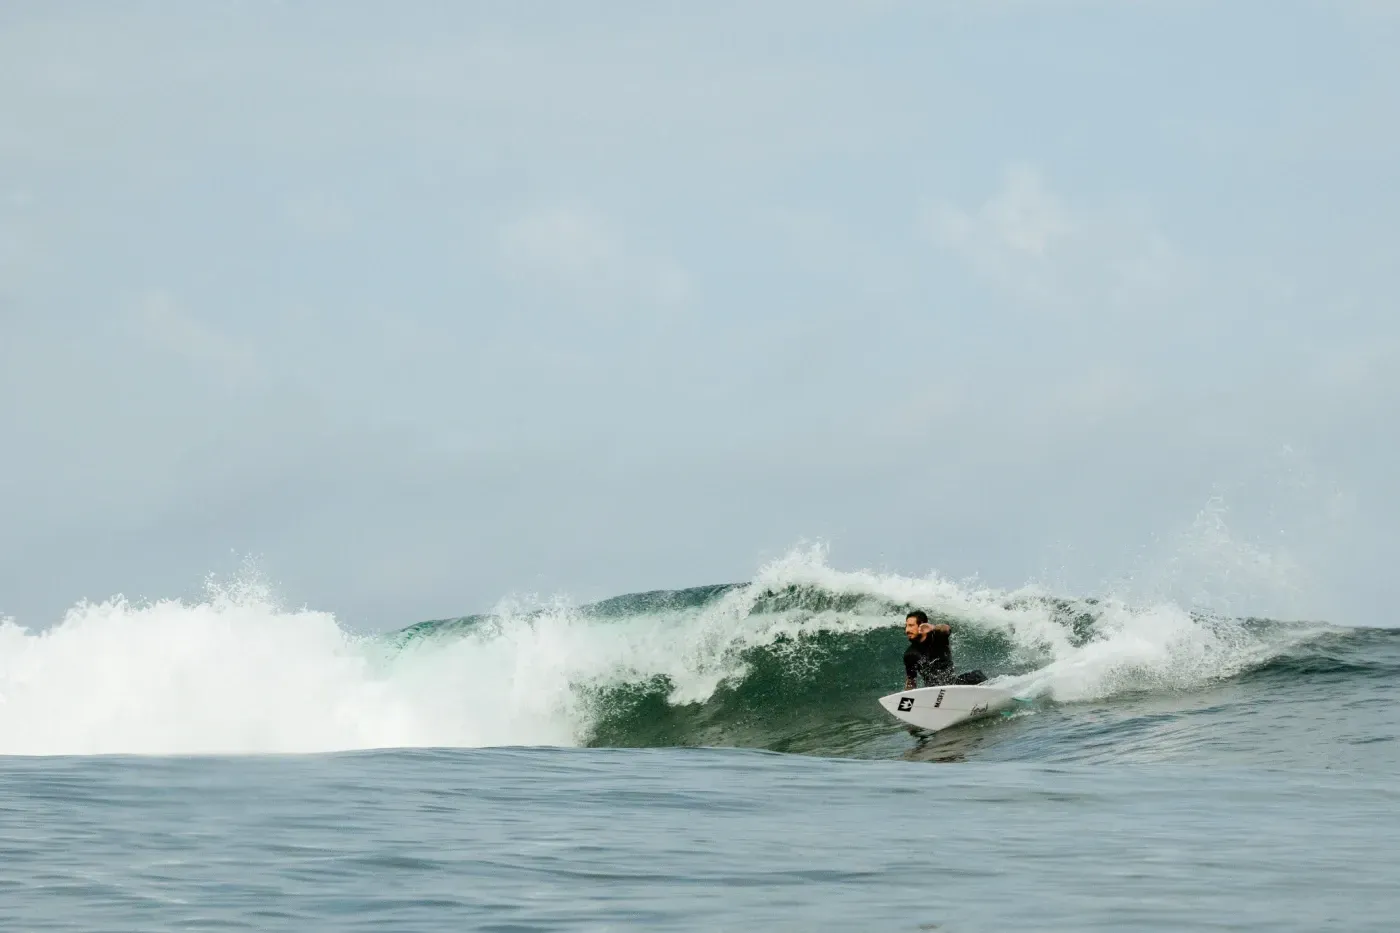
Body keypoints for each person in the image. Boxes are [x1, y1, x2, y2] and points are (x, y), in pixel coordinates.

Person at [902, 610, 986, 689]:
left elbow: (946, 629)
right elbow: (911, 681)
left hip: (952, 685)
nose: (907, 630)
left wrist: (933, 627)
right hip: (933, 691)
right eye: (906, 626)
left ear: (922, 625)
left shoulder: (937, 637)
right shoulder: (910, 654)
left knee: (977, 675)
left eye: (911, 625)